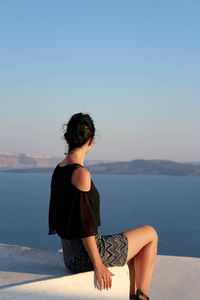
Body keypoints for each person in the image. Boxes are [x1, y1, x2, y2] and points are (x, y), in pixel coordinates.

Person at [48, 112, 158, 300]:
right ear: (91, 141)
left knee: (133, 245)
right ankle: (142, 296)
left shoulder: (59, 170)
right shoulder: (81, 175)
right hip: (86, 257)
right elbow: (85, 227)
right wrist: (98, 265)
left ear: (66, 138)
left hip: (70, 256)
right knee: (150, 234)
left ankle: (133, 295)